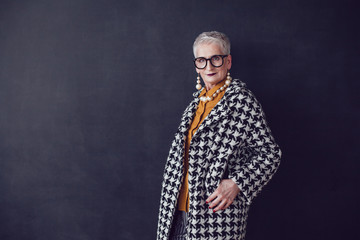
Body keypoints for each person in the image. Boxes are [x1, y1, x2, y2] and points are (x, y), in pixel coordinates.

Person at [157, 31, 281, 240]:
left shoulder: (241, 102)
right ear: (196, 65)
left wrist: (236, 183)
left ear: (228, 61)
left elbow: (270, 154)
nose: (209, 67)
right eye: (202, 61)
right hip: (176, 212)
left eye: (215, 59)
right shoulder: (196, 103)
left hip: (214, 217)